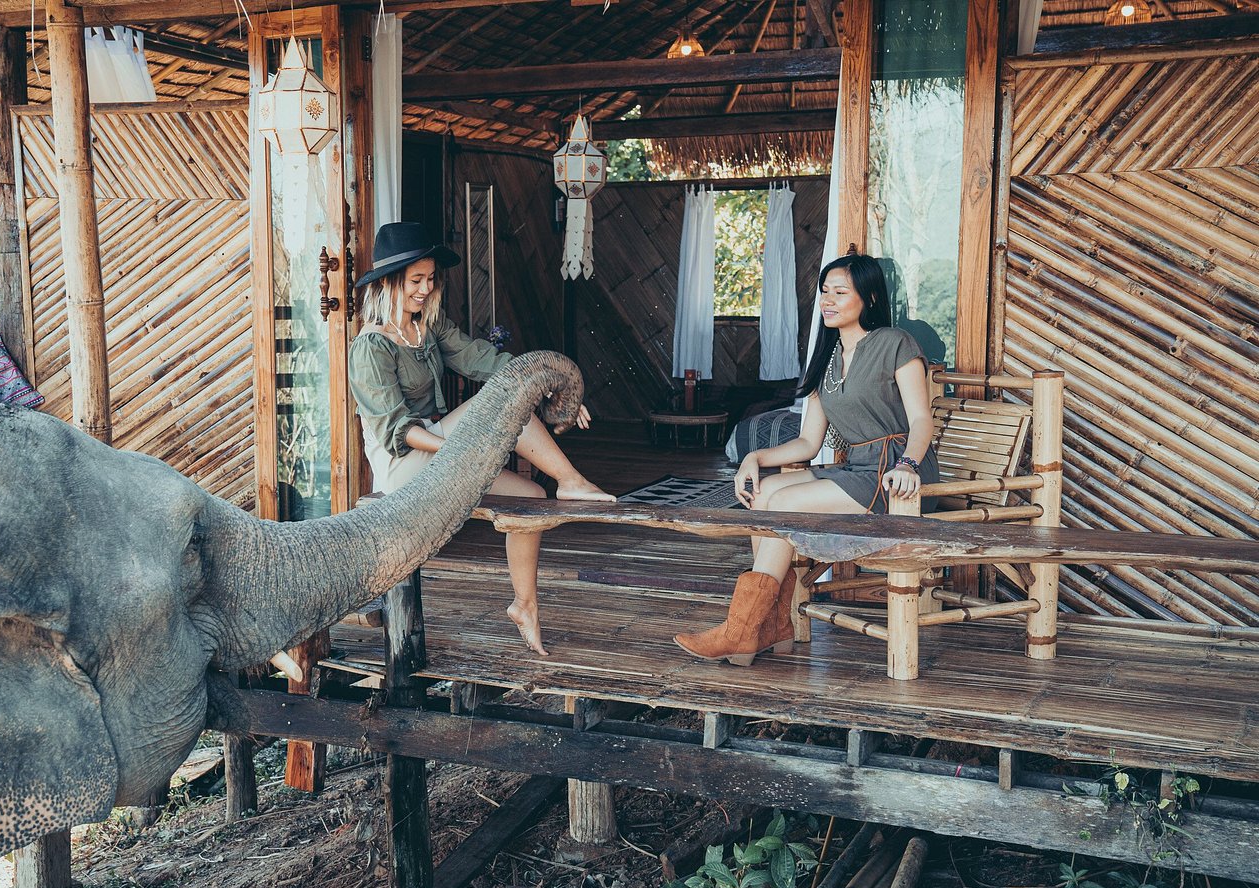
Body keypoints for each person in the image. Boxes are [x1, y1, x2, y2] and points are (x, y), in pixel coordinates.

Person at [349, 222, 615, 656]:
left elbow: (483, 359)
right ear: (389, 283)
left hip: (441, 454)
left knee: (531, 497)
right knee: (507, 396)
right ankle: (571, 480)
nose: (426, 289)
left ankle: (524, 606)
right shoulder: (370, 347)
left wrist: (557, 385)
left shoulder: (428, 327)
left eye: (430, 279)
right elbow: (399, 431)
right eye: (416, 280)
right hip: (404, 466)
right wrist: (466, 448)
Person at [674, 253, 939, 666]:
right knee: (764, 492)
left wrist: (909, 464)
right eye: (824, 292)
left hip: (895, 473)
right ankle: (771, 624)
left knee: (784, 503)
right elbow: (807, 442)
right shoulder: (827, 359)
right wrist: (754, 457)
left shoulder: (895, 344)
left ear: (868, 298)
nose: (828, 301)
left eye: (840, 292)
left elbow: (922, 419)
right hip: (856, 468)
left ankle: (742, 630)